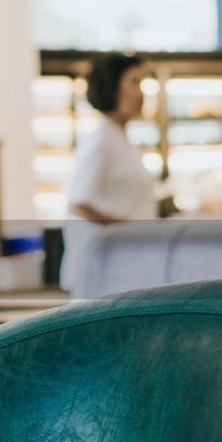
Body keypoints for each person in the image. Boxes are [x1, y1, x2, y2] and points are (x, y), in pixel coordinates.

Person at [60, 53, 159, 291]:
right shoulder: (101, 139)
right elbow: (78, 202)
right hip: (104, 272)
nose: (141, 93)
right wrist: (126, 230)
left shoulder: (120, 139)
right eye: (134, 82)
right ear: (113, 87)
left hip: (124, 265)